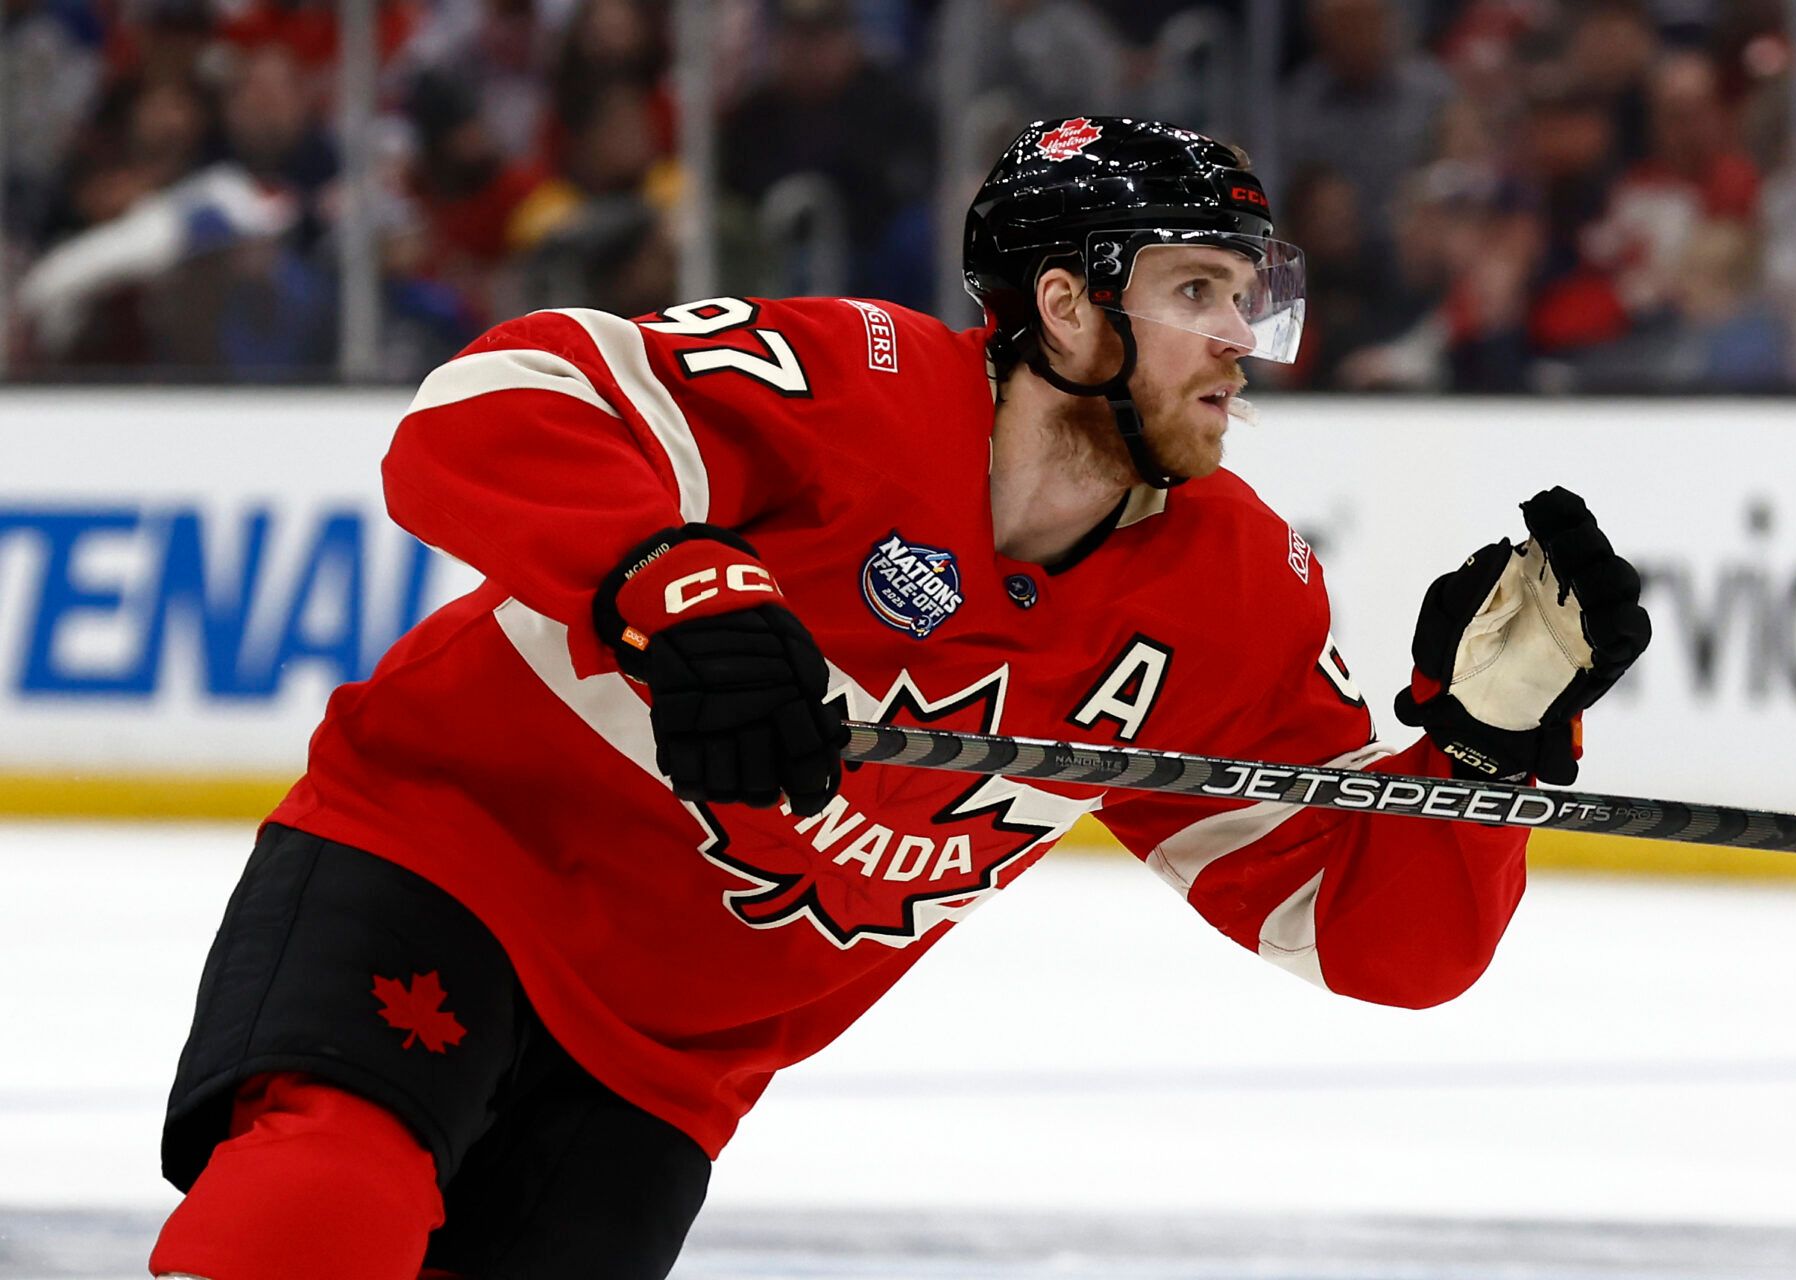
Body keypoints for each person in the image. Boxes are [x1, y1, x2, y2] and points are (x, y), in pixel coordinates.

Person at [149, 116, 1650, 1280]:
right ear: (1065, 308)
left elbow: (1375, 933)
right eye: (1198, 291)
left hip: (676, 1059)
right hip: (447, 862)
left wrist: (1483, 749)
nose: (1237, 343)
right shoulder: (850, 385)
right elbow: (485, 412)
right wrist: (672, 577)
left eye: (1251, 301)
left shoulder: (1237, 598)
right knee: (328, 1186)